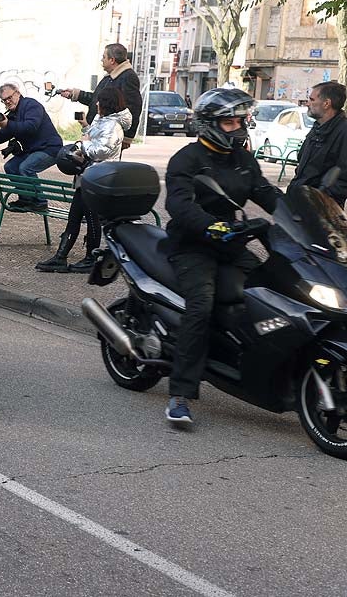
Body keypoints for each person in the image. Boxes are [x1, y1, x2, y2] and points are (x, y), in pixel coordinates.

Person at [162, 88, 282, 426]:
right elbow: (179, 205)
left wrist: (300, 215)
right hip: (193, 245)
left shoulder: (243, 160)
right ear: (209, 124)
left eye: (241, 120)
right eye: (229, 122)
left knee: (270, 289)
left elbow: (266, 193)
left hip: (231, 242)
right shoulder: (186, 159)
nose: (238, 127)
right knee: (201, 305)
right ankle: (180, 395)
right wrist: (209, 226)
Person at [36, 87, 130, 273]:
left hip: (98, 178)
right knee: (75, 217)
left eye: (99, 101)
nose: (96, 104)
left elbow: (102, 150)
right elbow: (94, 139)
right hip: (88, 176)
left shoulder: (113, 125)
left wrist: (82, 144)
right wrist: (85, 126)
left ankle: (90, 258)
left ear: (107, 103)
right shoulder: (102, 120)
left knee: (91, 218)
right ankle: (61, 258)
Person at [0, 82, 63, 208]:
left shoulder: (31, 105)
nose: (7, 102)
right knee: (11, 167)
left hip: (50, 148)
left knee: (26, 168)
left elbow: (30, 127)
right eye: (4, 100)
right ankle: (26, 199)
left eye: (9, 98)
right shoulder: (11, 115)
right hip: (33, 150)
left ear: (17, 93)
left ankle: (40, 201)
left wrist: (8, 124)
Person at [59, 43, 142, 150]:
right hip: (97, 132)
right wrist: (76, 94)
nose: (101, 60)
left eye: (104, 57)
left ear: (112, 60)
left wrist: (128, 137)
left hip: (109, 135)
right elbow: (97, 100)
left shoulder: (128, 77)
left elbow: (134, 108)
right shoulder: (109, 77)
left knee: (103, 165)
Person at [288, 81, 347, 205]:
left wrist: (321, 198)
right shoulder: (317, 128)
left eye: (312, 99)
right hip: (298, 201)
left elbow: (342, 177)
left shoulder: (343, 131)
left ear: (326, 103)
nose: (307, 103)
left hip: (321, 210)